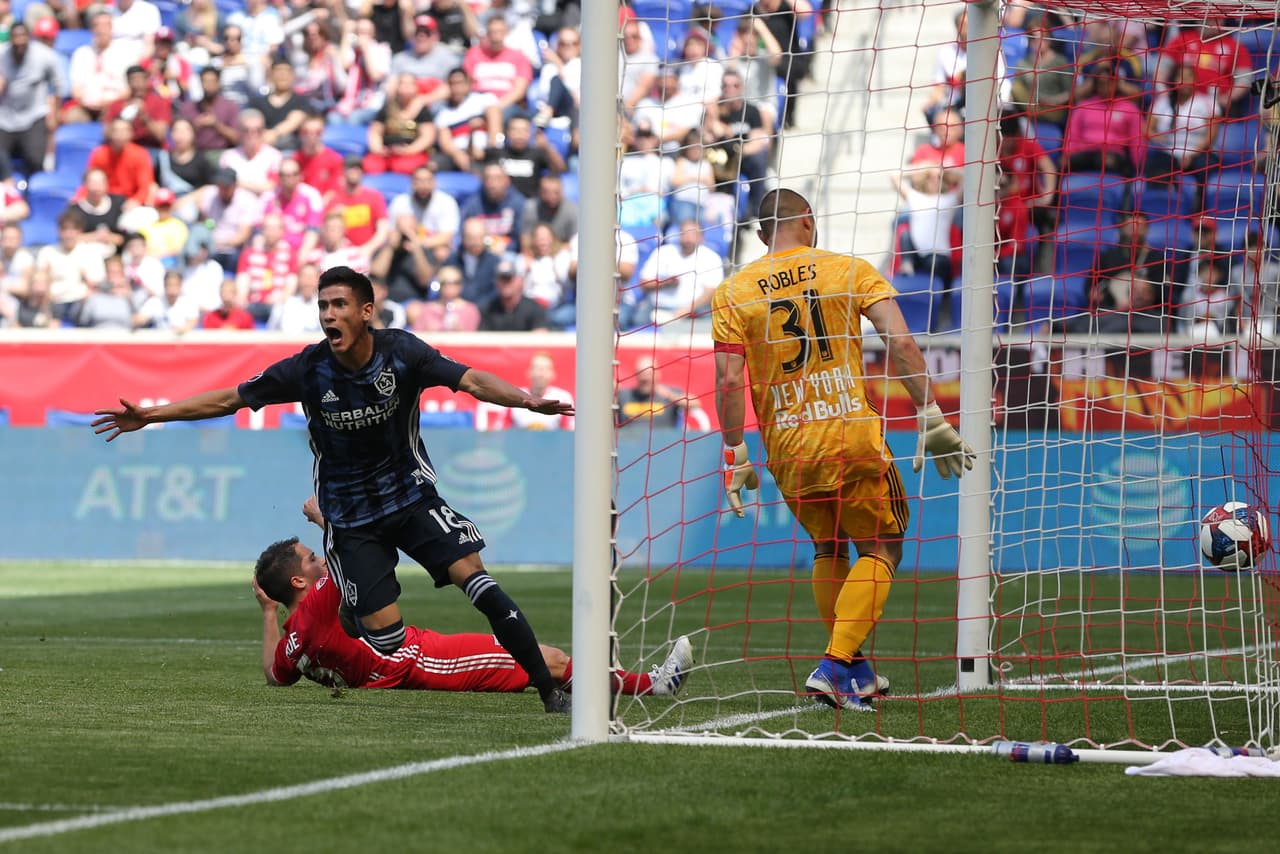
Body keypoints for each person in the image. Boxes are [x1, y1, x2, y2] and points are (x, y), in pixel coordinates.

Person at [93, 265, 577, 714]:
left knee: (477, 581)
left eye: (339, 305)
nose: (329, 315)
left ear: (366, 311)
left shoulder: (402, 352)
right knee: (386, 642)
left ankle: (547, 688)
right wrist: (152, 415)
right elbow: (228, 399)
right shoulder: (308, 370)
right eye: (323, 306)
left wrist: (526, 401)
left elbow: (469, 379)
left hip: (410, 497)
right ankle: (355, 611)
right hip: (351, 518)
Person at [711, 188, 974, 711]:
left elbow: (727, 378)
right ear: (807, 221)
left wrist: (735, 451)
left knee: (828, 547)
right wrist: (930, 415)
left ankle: (855, 670)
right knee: (884, 547)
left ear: (762, 234)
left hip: (788, 447)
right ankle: (834, 665)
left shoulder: (733, 290)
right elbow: (899, 341)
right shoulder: (849, 270)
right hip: (851, 436)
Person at [252, 497, 693, 697]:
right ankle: (654, 686)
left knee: (549, 661)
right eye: (310, 561)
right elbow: (349, 550)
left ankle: (620, 684)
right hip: (418, 661)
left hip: (411, 660)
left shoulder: (295, 640)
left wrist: (269, 612)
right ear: (299, 583)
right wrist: (322, 520)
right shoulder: (316, 605)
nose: (319, 562)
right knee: (549, 660)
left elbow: (274, 675)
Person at [0, 22, 64, 183]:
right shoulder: (2, 55)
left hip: (34, 116)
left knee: (35, 159)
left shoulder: (44, 55)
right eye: (16, 38)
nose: (20, 42)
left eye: (23, 37)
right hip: (5, 118)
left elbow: (58, 86)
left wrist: (55, 114)